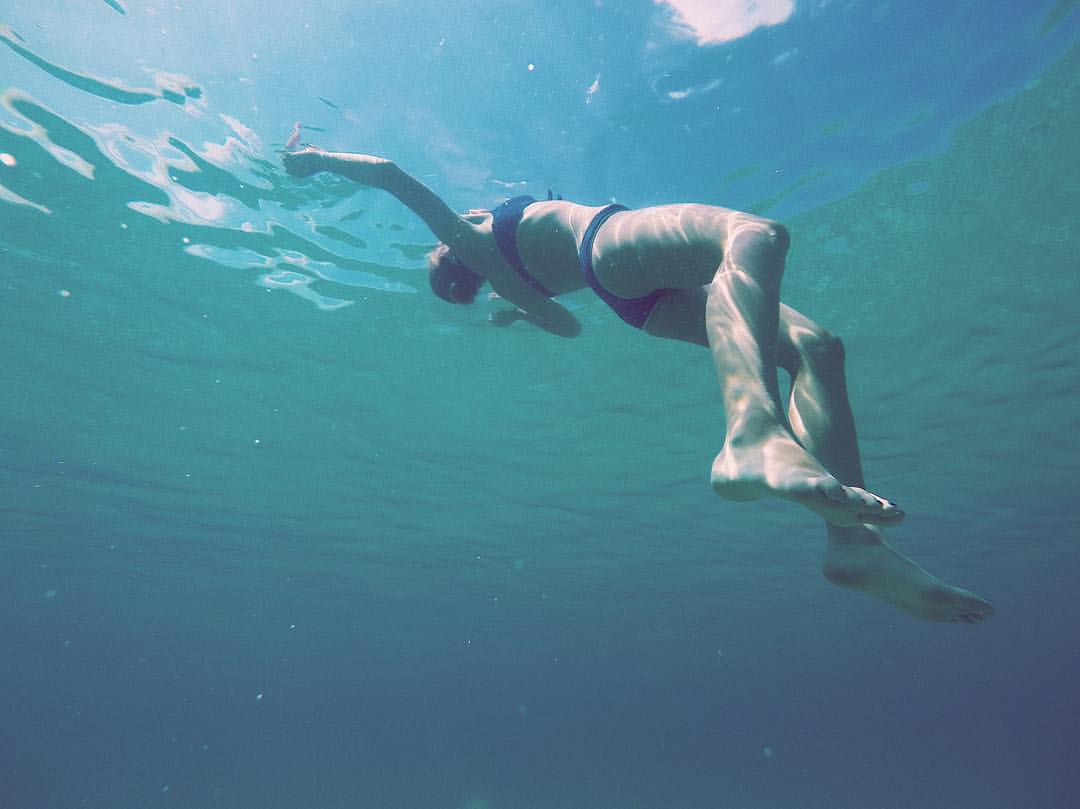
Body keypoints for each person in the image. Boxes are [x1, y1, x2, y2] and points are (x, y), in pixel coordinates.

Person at [283, 146, 993, 624]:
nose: (446, 235)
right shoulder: (473, 238)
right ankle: (751, 433)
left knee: (815, 347)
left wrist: (515, 314)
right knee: (755, 234)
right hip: (608, 244)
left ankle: (853, 544)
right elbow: (391, 174)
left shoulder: (511, 279)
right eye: (442, 245)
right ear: (453, 256)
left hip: (638, 302)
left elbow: (566, 327)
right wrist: (314, 159)